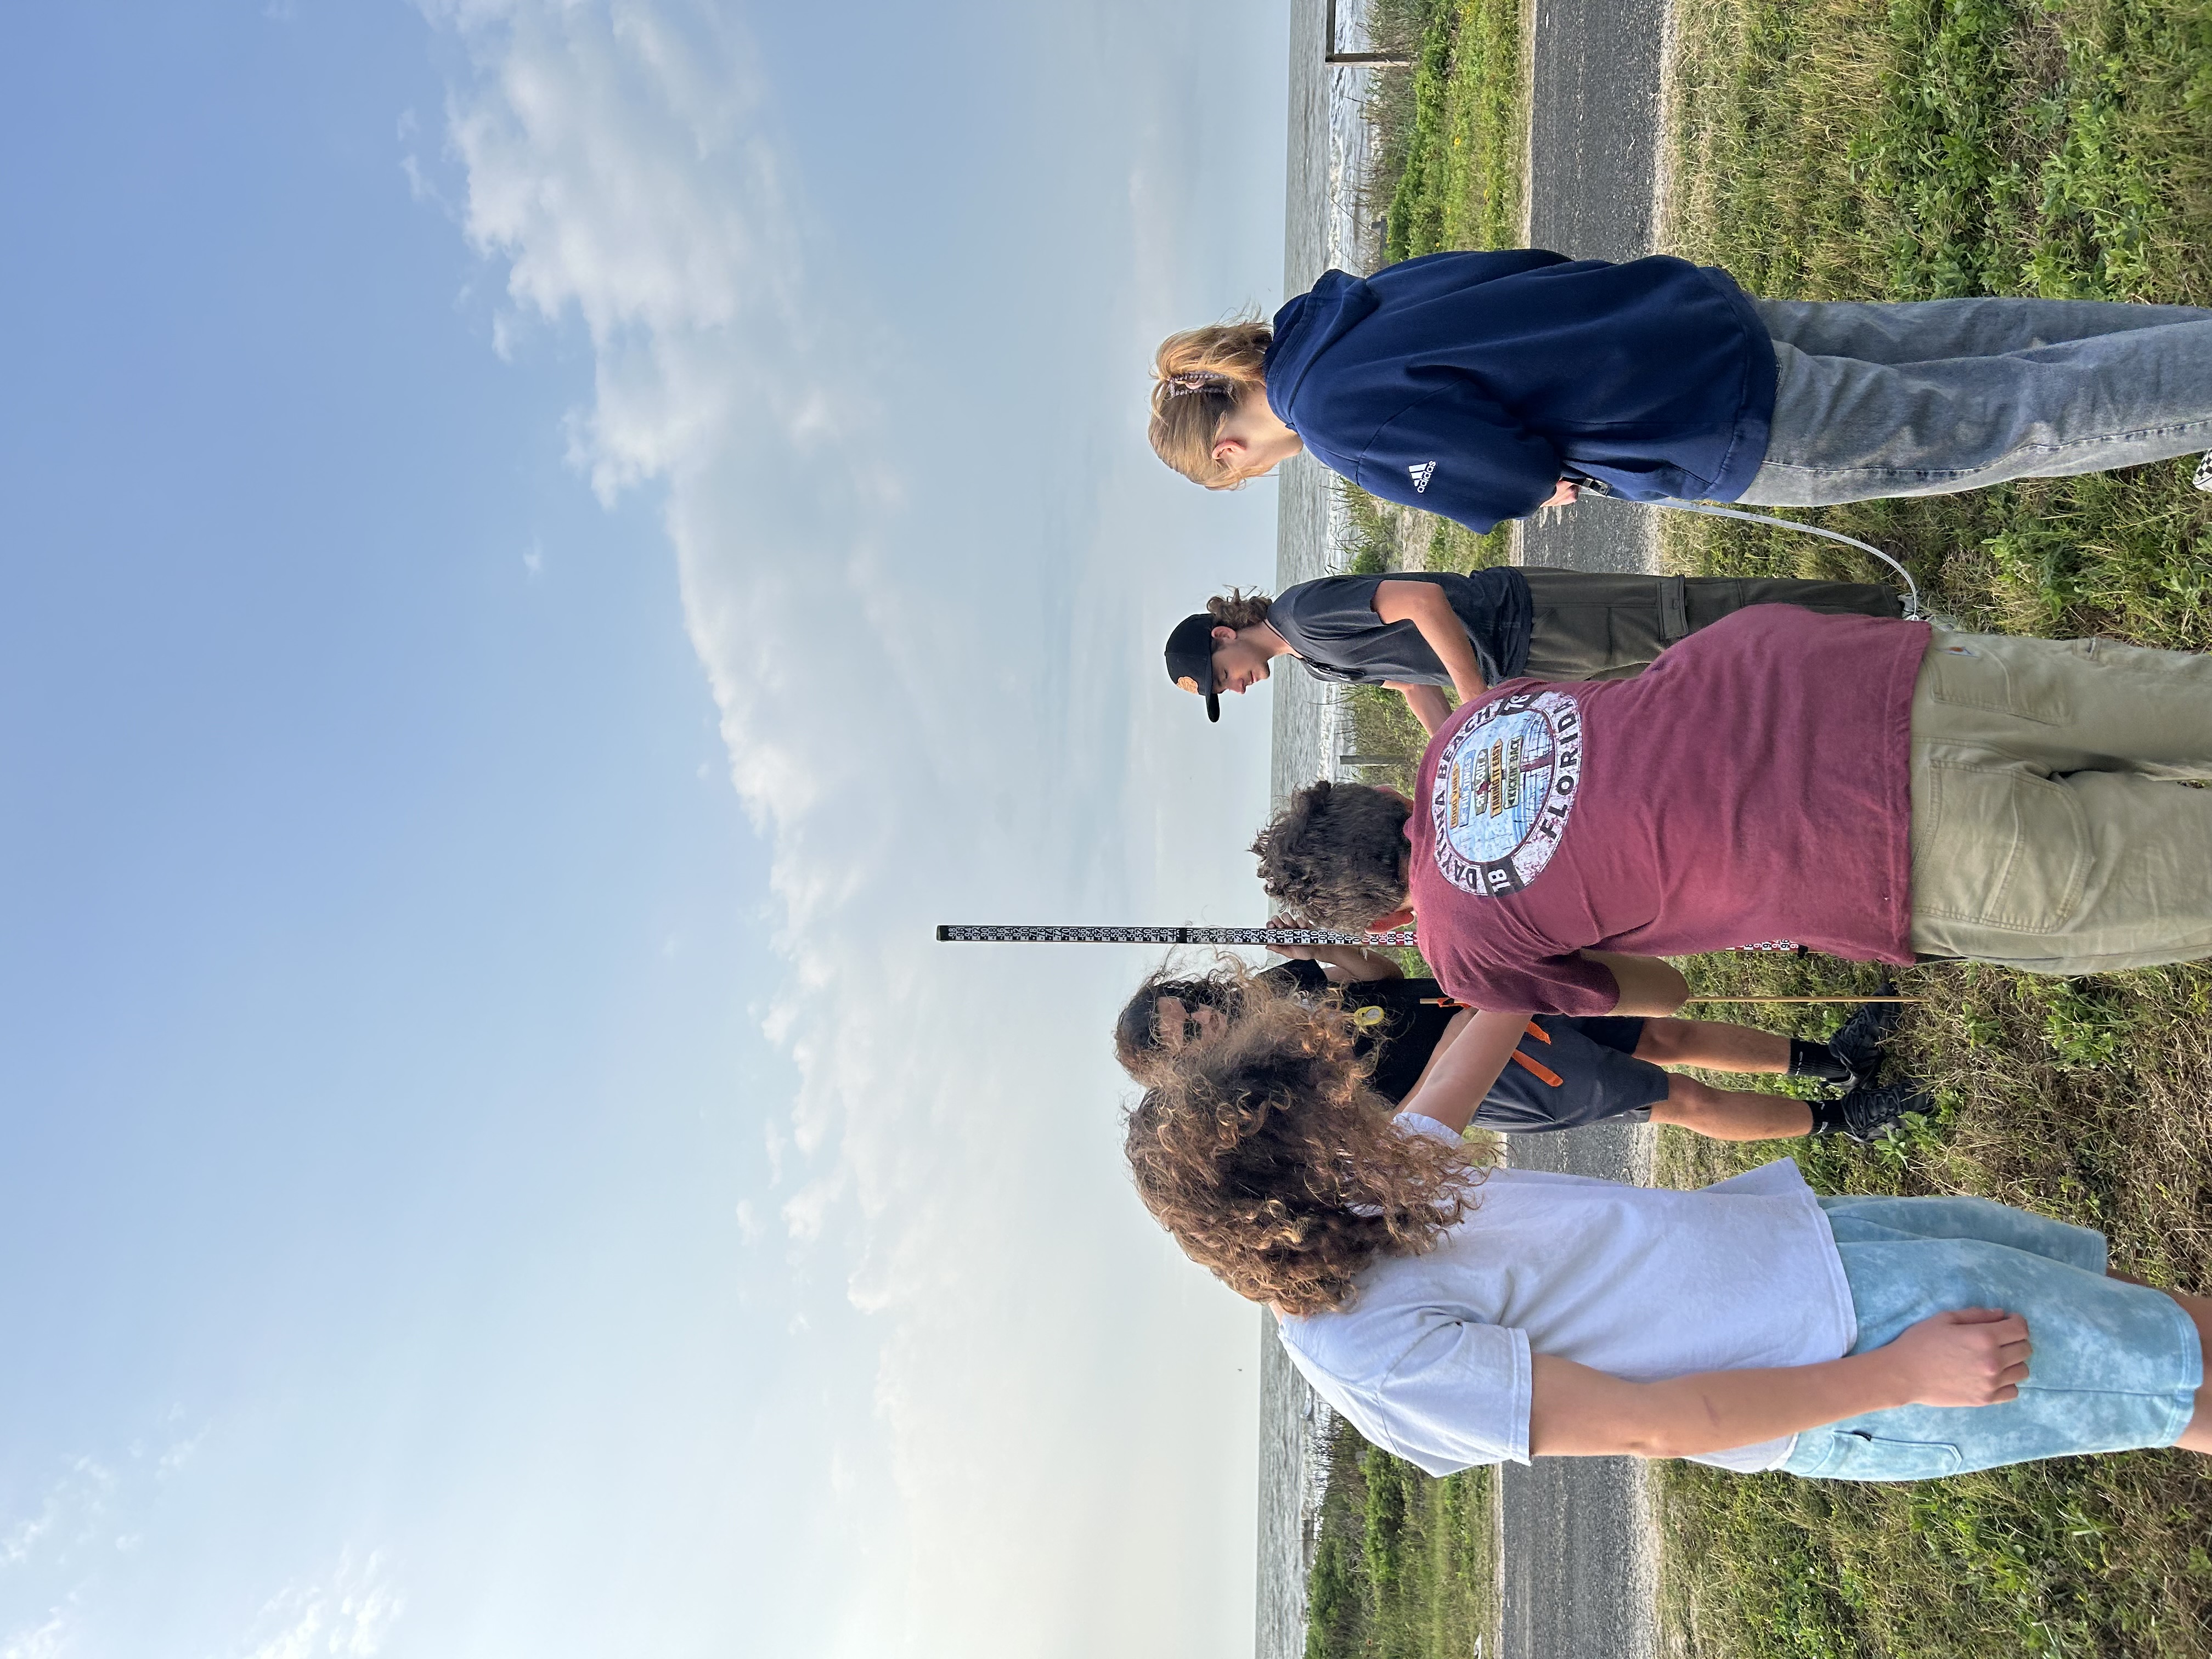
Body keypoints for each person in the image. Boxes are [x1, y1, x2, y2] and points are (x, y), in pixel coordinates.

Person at [1122, 971, 2211, 1481]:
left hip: (1818, 1247)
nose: (1363, 1112)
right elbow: (1656, 1423)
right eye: (1333, 1116)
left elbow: (1476, 1040)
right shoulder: (1371, 1350)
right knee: (2168, 1380)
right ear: (1293, 1177)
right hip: (1845, 1357)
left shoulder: (1365, 1189)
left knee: (2151, 1325)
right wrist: (1900, 1378)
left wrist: (1515, 922)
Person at [1246, 605, 2212, 1114]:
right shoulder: (1471, 727)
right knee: (2173, 703)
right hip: (1859, 676)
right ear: (1379, 795)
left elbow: (1659, 996)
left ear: (1381, 919)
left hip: (1878, 850)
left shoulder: (1462, 953)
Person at [1147, 250, 2212, 533]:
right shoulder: (1347, 306)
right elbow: (1531, 264)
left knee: (2010, 420)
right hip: (1691, 322)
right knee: (1983, 339)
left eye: (1231, 481)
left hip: (1711, 421)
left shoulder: (1332, 418)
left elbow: (1507, 475)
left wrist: (1527, 489)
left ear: (1227, 453)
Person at [1112, 955, 1925, 1142]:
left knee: (1669, 1031)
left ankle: (1828, 1057)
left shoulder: (1273, 981)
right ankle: (1839, 1118)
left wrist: (1329, 941)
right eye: (1189, 1039)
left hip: (1487, 996)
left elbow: (1381, 976)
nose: (1204, 1024)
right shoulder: (1265, 1085)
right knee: (1674, 1098)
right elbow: (1381, 1116)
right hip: (1494, 1072)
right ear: (1190, 1067)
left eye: (1191, 1010)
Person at [1162, 569, 1899, 732]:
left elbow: (1421, 601)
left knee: (1695, 619)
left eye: (1227, 678)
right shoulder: (1314, 659)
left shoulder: (1304, 613)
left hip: (1531, 616)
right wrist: (1454, 745)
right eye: (1230, 692)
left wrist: (1475, 695)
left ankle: (1888, 613)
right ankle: (1859, 657)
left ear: (1223, 637)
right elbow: (1412, 682)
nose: (1243, 686)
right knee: (1692, 669)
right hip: (1530, 659)